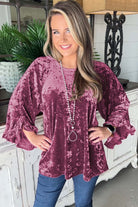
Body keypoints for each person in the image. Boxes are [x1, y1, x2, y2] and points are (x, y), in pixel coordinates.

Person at [3, 0, 135, 207]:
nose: (62, 39)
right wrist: (31, 135)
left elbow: (119, 103)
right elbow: (19, 102)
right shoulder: (42, 68)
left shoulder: (98, 71)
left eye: (69, 30)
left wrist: (108, 129)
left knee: (83, 203)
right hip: (54, 152)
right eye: (55, 32)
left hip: (88, 152)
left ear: (81, 31)